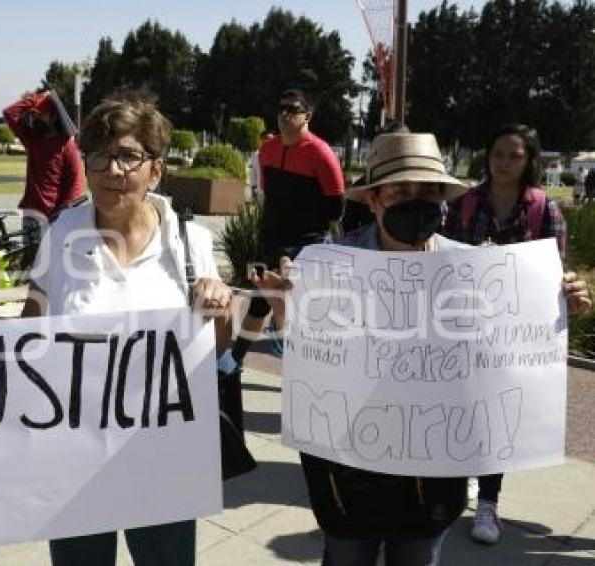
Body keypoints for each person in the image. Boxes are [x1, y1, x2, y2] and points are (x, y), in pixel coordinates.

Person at [0, 91, 233, 566]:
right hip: (73, 461)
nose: (112, 170)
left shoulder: (190, 243)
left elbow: (214, 348)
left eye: (128, 156)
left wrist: (222, 310)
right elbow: (27, 334)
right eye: (100, 156)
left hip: (162, 458)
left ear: (156, 170)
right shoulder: (63, 233)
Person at [250, 131, 590, 565]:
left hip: (433, 471)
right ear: (373, 200)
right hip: (347, 466)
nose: (416, 200)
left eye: (428, 191)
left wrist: (557, 305)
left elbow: (502, 349)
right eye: (400, 191)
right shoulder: (329, 263)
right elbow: (306, 353)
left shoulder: (473, 268)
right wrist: (284, 307)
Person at [442, 123, 566, 544]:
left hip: (509, 335)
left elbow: (554, 272)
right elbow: (445, 254)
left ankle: (489, 504)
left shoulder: (543, 208)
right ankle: (453, 489)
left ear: (529, 160)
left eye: (514, 155)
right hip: (463, 323)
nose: (504, 162)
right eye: (498, 153)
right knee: (460, 407)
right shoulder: (466, 202)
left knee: (495, 414)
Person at [231, 88, 345, 367]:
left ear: (307, 115)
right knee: (258, 302)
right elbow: (268, 193)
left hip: (306, 245)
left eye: (292, 109)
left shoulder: (321, 153)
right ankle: (233, 363)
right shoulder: (267, 149)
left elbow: (337, 207)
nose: (284, 114)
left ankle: (304, 372)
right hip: (269, 239)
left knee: (299, 312)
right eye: (281, 108)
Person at [2, 89, 85, 261]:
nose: (35, 117)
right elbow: (9, 113)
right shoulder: (33, 140)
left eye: (41, 113)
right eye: (34, 113)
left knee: (53, 263)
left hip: (56, 216)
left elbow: (75, 185)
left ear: (53, 116)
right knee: (31, 263)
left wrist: (63, 215)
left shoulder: (66, 146)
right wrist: (34, 99)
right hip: (32, 213)